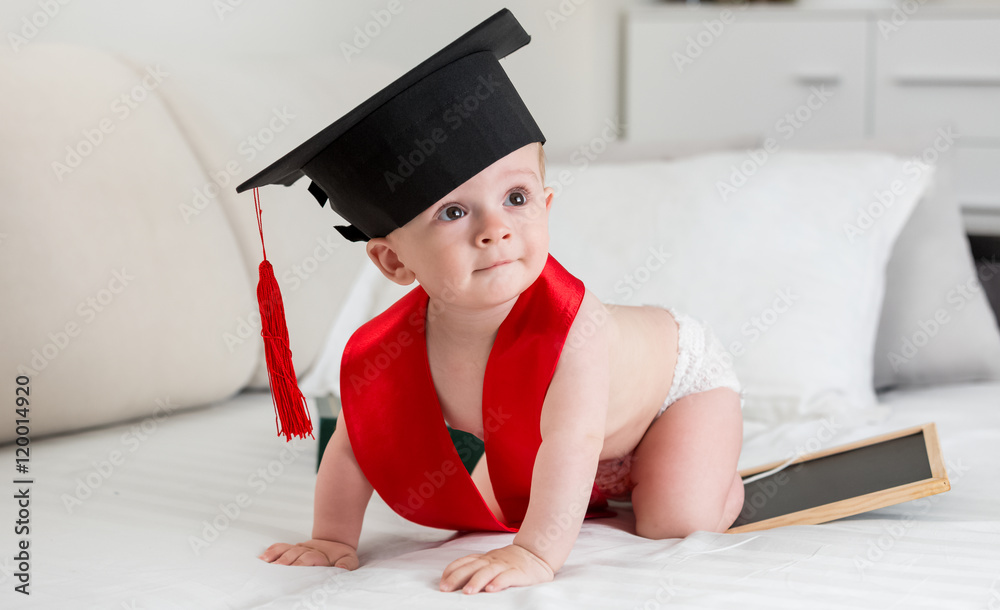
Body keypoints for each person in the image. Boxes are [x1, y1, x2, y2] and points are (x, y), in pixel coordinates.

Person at [238, 9, 744, 596]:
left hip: (675, 388)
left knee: (672, 520)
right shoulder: (395, 349)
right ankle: (631, 474)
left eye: (517, 196)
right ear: (394, 263)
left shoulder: (575, 330)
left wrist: (533, 552)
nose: (495, 229)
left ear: (547, 206)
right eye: (453, 213)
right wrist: (332, 538)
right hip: (581, 437)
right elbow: (355, 448)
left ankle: (719, 479)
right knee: (509, 488)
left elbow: (573, 442)